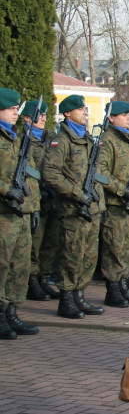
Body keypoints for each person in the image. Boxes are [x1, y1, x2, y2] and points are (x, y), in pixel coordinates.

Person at [41, 94, 106, 319]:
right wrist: (77, 194)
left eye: (86, 110)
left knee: (88, 256)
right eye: (81, 110)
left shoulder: (87, 139)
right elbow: (50, 173)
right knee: (71, 255)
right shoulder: (61, 140)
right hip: (73, 208)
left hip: (92, 207)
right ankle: (66, 299)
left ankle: (79, 295)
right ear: (68, 113)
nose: (85, 113)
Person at [0, 88, 40, 339]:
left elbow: (28, 177)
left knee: (19, 266)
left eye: (17, 109)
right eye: (11, 108)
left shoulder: (14, 138)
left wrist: (33, 206)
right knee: (2, 265)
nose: (16, 112)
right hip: (3, 214)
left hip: (21, 212)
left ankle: (11, 311)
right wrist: (5, 190)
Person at [97, 101, 129, 307]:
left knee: (127, 247)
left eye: (128, 114)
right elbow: (101, 173)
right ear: (112, 118)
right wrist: (123, 190)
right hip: (115, 203)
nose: (127, 117)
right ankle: (113, 289)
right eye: (123, 114)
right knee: (114, 247)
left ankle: (123, 284)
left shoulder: (128, 139)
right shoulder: (107, 140)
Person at [21, 100, 61, 303]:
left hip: (54, 196)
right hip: (36, 197)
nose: (44, 119)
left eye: (45, 115)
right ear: (27, 118)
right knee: (35, 244)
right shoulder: (24, 139)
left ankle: (44, 277)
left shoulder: (51, 138)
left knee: (50, 242)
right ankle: (32, 280)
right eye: (40, 115)